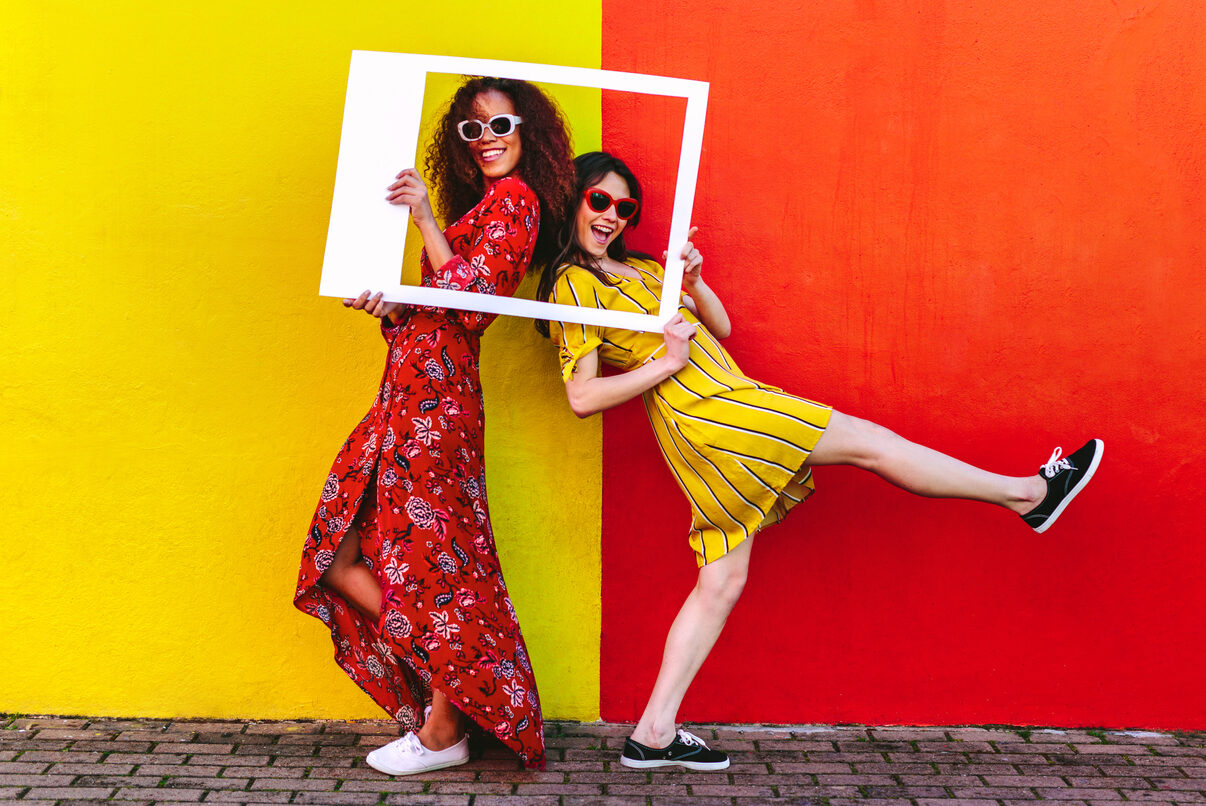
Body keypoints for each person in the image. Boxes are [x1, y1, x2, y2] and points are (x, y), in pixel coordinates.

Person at [545, 151, 1103, 771]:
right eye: (599, 201)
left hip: (730, 400)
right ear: (571, 198)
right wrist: (666, 364)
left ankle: (652, 733)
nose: (612, 217)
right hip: (706, 414)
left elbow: (720, 329)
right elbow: (581, 396)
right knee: (867, 442)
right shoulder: (573, 285)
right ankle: (1029, 494)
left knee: (721, 583)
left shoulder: (642, 268)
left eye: (625, 207)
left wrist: (695, 282)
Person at [295, 77, 575, 775]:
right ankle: (452, 710)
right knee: (341, 558)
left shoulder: (518, 203)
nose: (486, 141)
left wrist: (422, 218)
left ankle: (444, 729)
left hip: (439, 407)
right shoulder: (484, 206)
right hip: (409, 392)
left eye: (499, 125)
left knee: (439, 566)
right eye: (471, 131)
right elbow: (436, 309)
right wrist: (390, 307)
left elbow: (472, 309)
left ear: (527, 130)